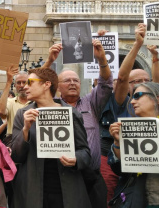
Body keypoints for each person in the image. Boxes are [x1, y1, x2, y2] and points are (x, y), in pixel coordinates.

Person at [43, 36, 112, 208]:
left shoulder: (92, 104)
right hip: (63, 178)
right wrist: (50, 61)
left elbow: (105, 84)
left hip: (92, 178)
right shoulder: (52, 105)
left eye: (76, 80)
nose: (73, 83)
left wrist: (101, 59)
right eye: (67, 80)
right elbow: (37, 86)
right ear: (56, 86)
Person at [11, 67, 92, 208]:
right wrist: (25, 129)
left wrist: (76, 159)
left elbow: (85, 152)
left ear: (46, 85)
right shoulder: (22, 114)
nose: (25, 87)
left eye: (30, 82)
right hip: (33, 190)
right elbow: (16, 156)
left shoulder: (71, 114)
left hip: (66, 189)